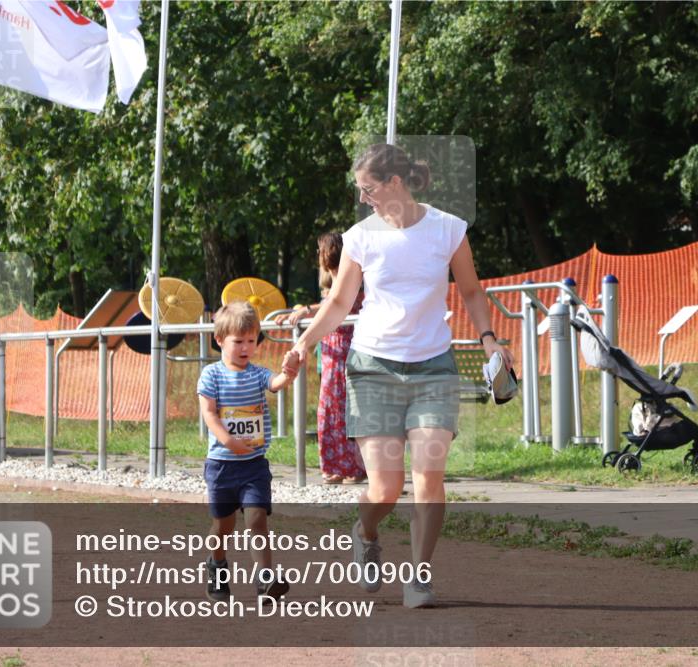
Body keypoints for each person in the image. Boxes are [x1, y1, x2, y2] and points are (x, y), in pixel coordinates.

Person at [284, 143, 513, 608]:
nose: (362, 198)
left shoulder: (447, 229)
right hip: (373, 370)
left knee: (429, 477)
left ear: (394, 183)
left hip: (434, 368)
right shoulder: (361, 237)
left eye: (368, 188)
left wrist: (489, 339)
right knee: (385, 490)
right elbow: (339, 302)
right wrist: (303, 343)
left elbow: (471, 291)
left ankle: (419, 577)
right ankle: (366, 530)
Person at [198, 301, 300, 602]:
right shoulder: (211, 375)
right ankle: (216, 565)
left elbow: (276, 383)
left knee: (256, 519)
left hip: (254, 465)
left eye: (251, 340)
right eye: (238, 341)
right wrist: (229, 441)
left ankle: (265, 581)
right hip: (222, 466)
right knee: (223, 527)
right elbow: (209, 414)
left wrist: (289, 372)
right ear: (220, 340)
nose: (246, 348)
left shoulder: (257, 374)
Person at [275, 233, 367, 485]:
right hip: (331, 353)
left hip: (346, 352)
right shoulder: (337, 281)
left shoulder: (355, 279)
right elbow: (329, 304)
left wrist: (307, 311)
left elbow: (340, 304)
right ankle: (337, 465)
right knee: (331, 408)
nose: (318, 256)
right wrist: (302, 310)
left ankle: (354, 466)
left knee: (346, 408)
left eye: (320, 251)